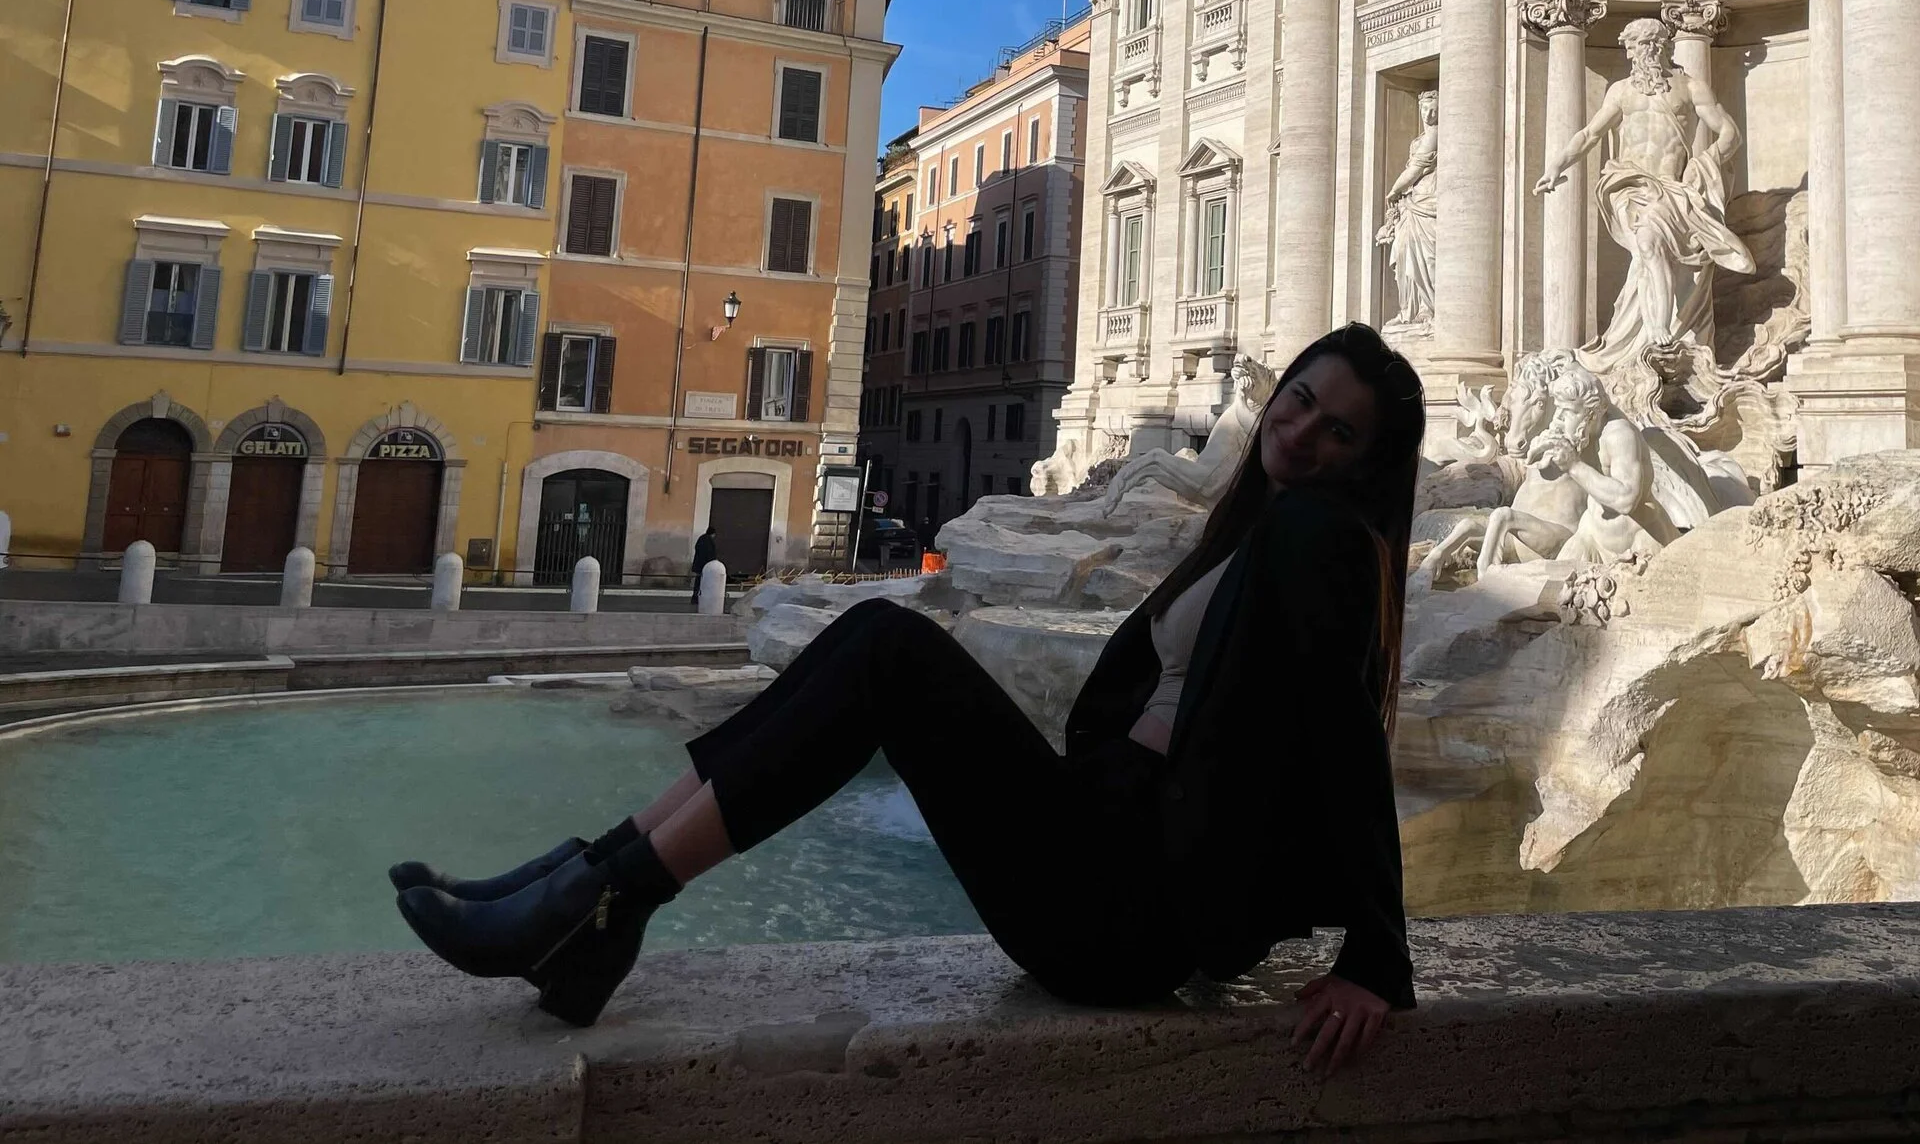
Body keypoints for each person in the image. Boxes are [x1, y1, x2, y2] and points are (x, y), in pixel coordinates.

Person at [388, 324, 1426, 1075]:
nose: (1301, 430)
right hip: (1107, 851)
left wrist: (1377, 957)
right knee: (874, 640)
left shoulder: (1319, 537)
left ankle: (598, 901)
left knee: (885, 648)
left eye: (1337, 430)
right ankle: (593, 886)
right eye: (1298, 398)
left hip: (1123, 903)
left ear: (1365, 463)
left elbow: (1345, 730)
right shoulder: (1261, 529)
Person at [687, 524, 719, 609]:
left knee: (698, 582)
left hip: (699, 565)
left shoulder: (701, 538)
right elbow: (710, 554)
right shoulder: (709, 541)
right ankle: (702, 598)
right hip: (706, 566)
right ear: (713, 533)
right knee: (705, 583)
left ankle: (695, 598)